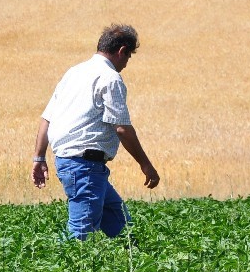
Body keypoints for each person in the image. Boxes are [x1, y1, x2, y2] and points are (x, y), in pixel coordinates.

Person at [32, 23, 160, 240]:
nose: (126, 64)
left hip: (76, 164)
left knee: (122, 227)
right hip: (85, 166)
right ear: (121, 51)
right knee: (81, 236)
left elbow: (47, 119)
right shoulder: (110, 78)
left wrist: (39, 157)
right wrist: (146, 165)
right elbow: (122, 128)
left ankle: (136, 267)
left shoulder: (73, 73)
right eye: (128, 57)